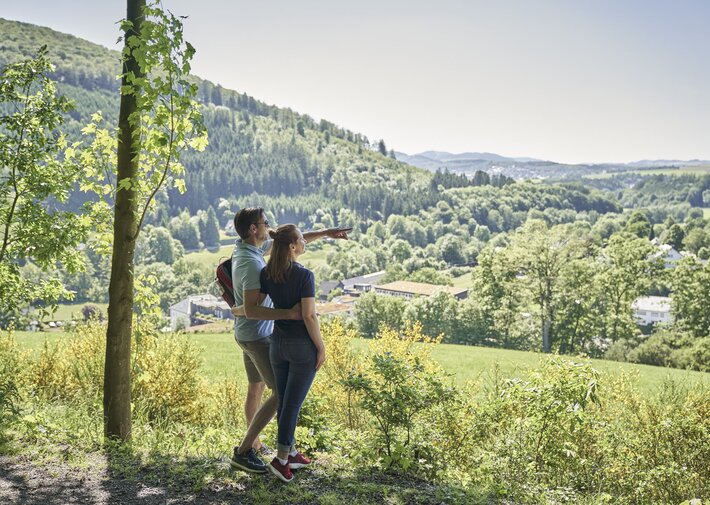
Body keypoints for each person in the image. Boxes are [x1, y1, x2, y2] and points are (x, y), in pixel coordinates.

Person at [228, 207, 348, 473]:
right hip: (258, 337)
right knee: (282, 394)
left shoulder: (249, 252)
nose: (269, 226)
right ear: (253, 229)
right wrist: (289, 314)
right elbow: (253, 308)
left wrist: (326, 234)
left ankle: (261, 447)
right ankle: (245, 450)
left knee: (256, 389)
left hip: (248, 333)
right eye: (265, 223)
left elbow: (289, 241)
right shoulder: (252, 262)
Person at [258, 224, 326, 482]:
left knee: (285, 401)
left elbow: (260, 305)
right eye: (301, 239)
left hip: (278, 344)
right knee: (291, 405)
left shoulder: (266, 273)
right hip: (301, 348)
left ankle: (292, 452)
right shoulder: (304, 275)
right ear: (292, 247)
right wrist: (320, 346)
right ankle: (282, 459)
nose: (304, 242)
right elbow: (308, 315)